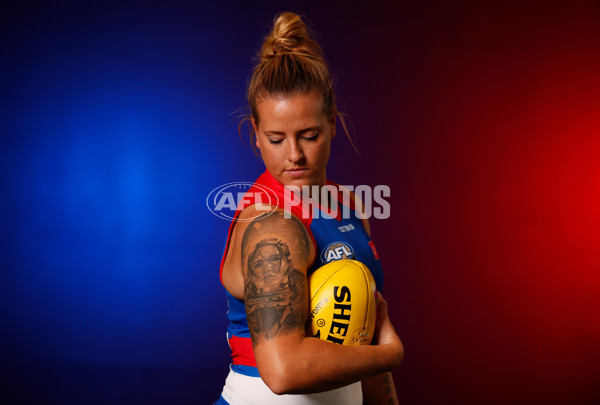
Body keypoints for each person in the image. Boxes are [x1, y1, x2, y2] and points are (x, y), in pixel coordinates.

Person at [214, 11, 404, 405]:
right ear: (256, 134)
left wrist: (380, 366)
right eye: (276, 138)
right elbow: (283, 372)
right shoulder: (271, 226)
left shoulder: (349, 206)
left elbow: (362, 332)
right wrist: (390, 354)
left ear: (333, 123)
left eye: (309, 135)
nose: (295, 155)